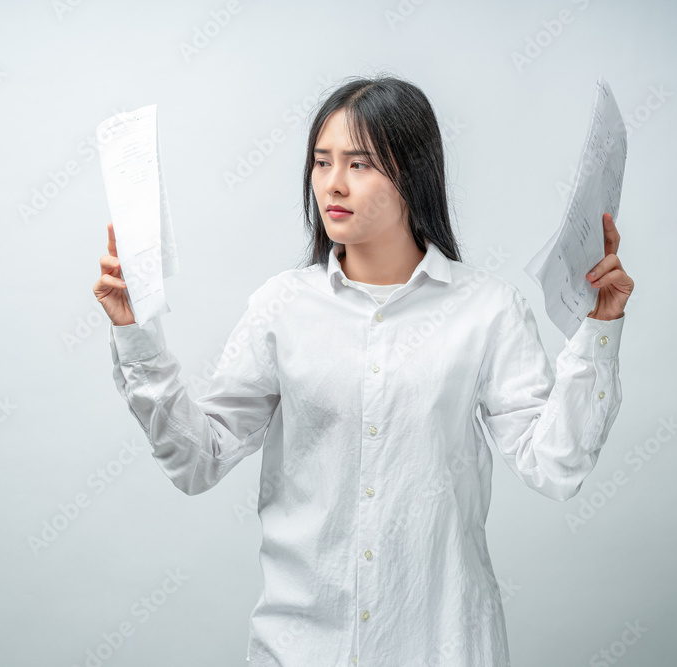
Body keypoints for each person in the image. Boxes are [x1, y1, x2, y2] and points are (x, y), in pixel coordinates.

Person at [93, 75, 633, 667]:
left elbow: (554, 465)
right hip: (302, 648)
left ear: (414, 174)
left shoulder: (486, 309)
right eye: (321, 162)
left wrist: (599, 331)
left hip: (440, 645)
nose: (333, 183)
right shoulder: (283, 306)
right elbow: (198, 460)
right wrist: (135, 334)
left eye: (360, 163)